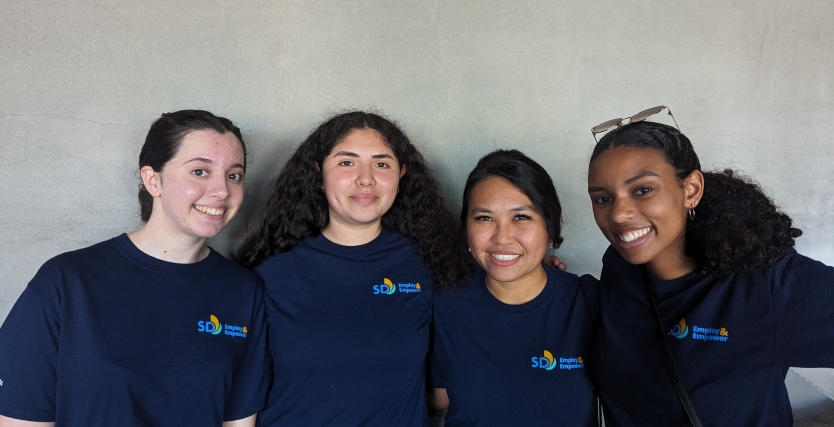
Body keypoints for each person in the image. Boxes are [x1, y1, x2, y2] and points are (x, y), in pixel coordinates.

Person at [0, 110, 270, 427]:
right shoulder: (68, 281)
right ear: (152, 179)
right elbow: (19, 417)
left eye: (234, 175)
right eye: (200, 172)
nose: (222, 190)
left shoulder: (242, 290)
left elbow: (239, 420)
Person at [586, 111, 834, 426]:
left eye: (643, 190)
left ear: (690, 190)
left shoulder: (765, 285)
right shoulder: (619, 269)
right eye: (603, 199)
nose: (619, 214)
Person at [237, 111, 466, 427]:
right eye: (347, 162)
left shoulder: (431, 263)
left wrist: (539, 269)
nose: (366, 178)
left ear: (401, 175)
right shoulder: (272, 271)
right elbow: (242, 399)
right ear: (319, 174)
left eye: (381, 163)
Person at [429, 149, 599, 426]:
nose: (502, 237)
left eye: (521, 217)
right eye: (484, 218)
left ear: (550, 225)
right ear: (466, 229)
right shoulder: (445, 304)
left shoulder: (589, 301)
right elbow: (440, 396)